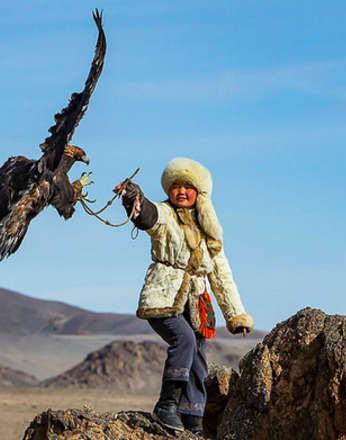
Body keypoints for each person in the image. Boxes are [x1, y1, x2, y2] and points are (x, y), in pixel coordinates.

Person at [113, 157, 253, 435]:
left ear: (199, 192)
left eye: (187, 186)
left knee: (198, 354)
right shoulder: (164, 214)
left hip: (197, 302)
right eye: (175, 186)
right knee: (184, 339)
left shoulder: (209, 230)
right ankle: (166, 406)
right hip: (162, 295)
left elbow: (222, 275)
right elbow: (147, 216)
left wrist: (236, 315)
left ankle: (192, 417)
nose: (180, 191)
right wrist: (133, 196)